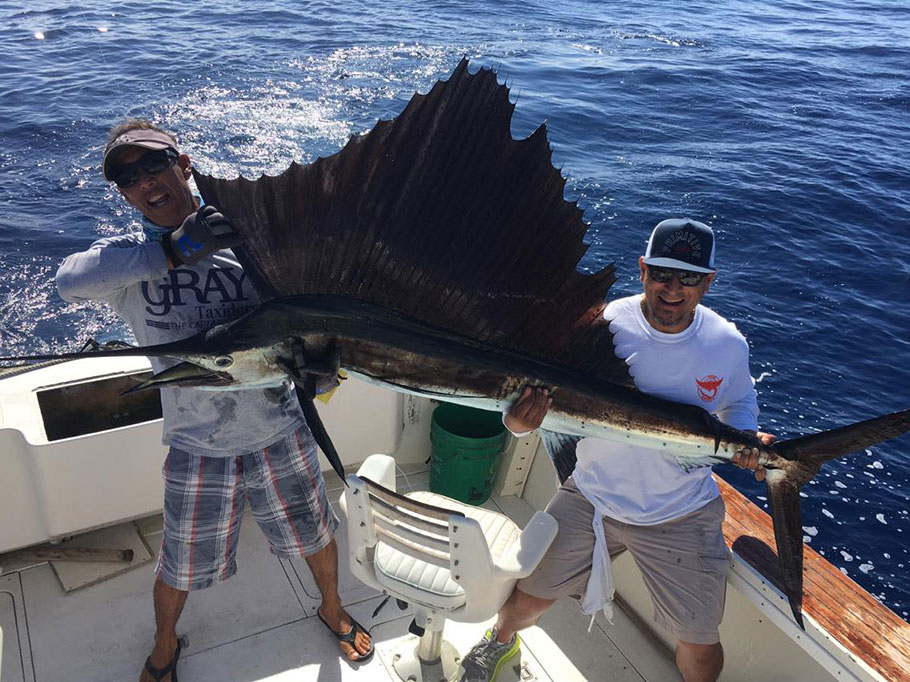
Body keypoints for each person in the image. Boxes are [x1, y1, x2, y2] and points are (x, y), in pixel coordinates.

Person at [55, 120, 372, 682]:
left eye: (153, 163)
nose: (143, 180)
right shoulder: (127, 264)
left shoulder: (257, 249)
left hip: (282, 430)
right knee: (179, 562)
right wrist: (176, 249)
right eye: (127, 176)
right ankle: (163, 645)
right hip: (196, 445)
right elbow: (70, 281)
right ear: (125, 194)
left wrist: (323, 376)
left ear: (185, 164)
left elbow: (309, 346)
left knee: (316, 533)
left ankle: (332, 606)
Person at [459, 218, 772, 682]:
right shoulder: (600, 326)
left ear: (709, 282)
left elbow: (739, 400)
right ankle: (499, 645)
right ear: (642, 269)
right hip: (591, 494)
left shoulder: (725, 343)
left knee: (700, 641)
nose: (672, 289)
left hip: (680, 511)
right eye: (662, 273)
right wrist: (517, 424)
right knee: (526, 598)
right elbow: (529, 403)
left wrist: (744, 435)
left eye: (688, 278)